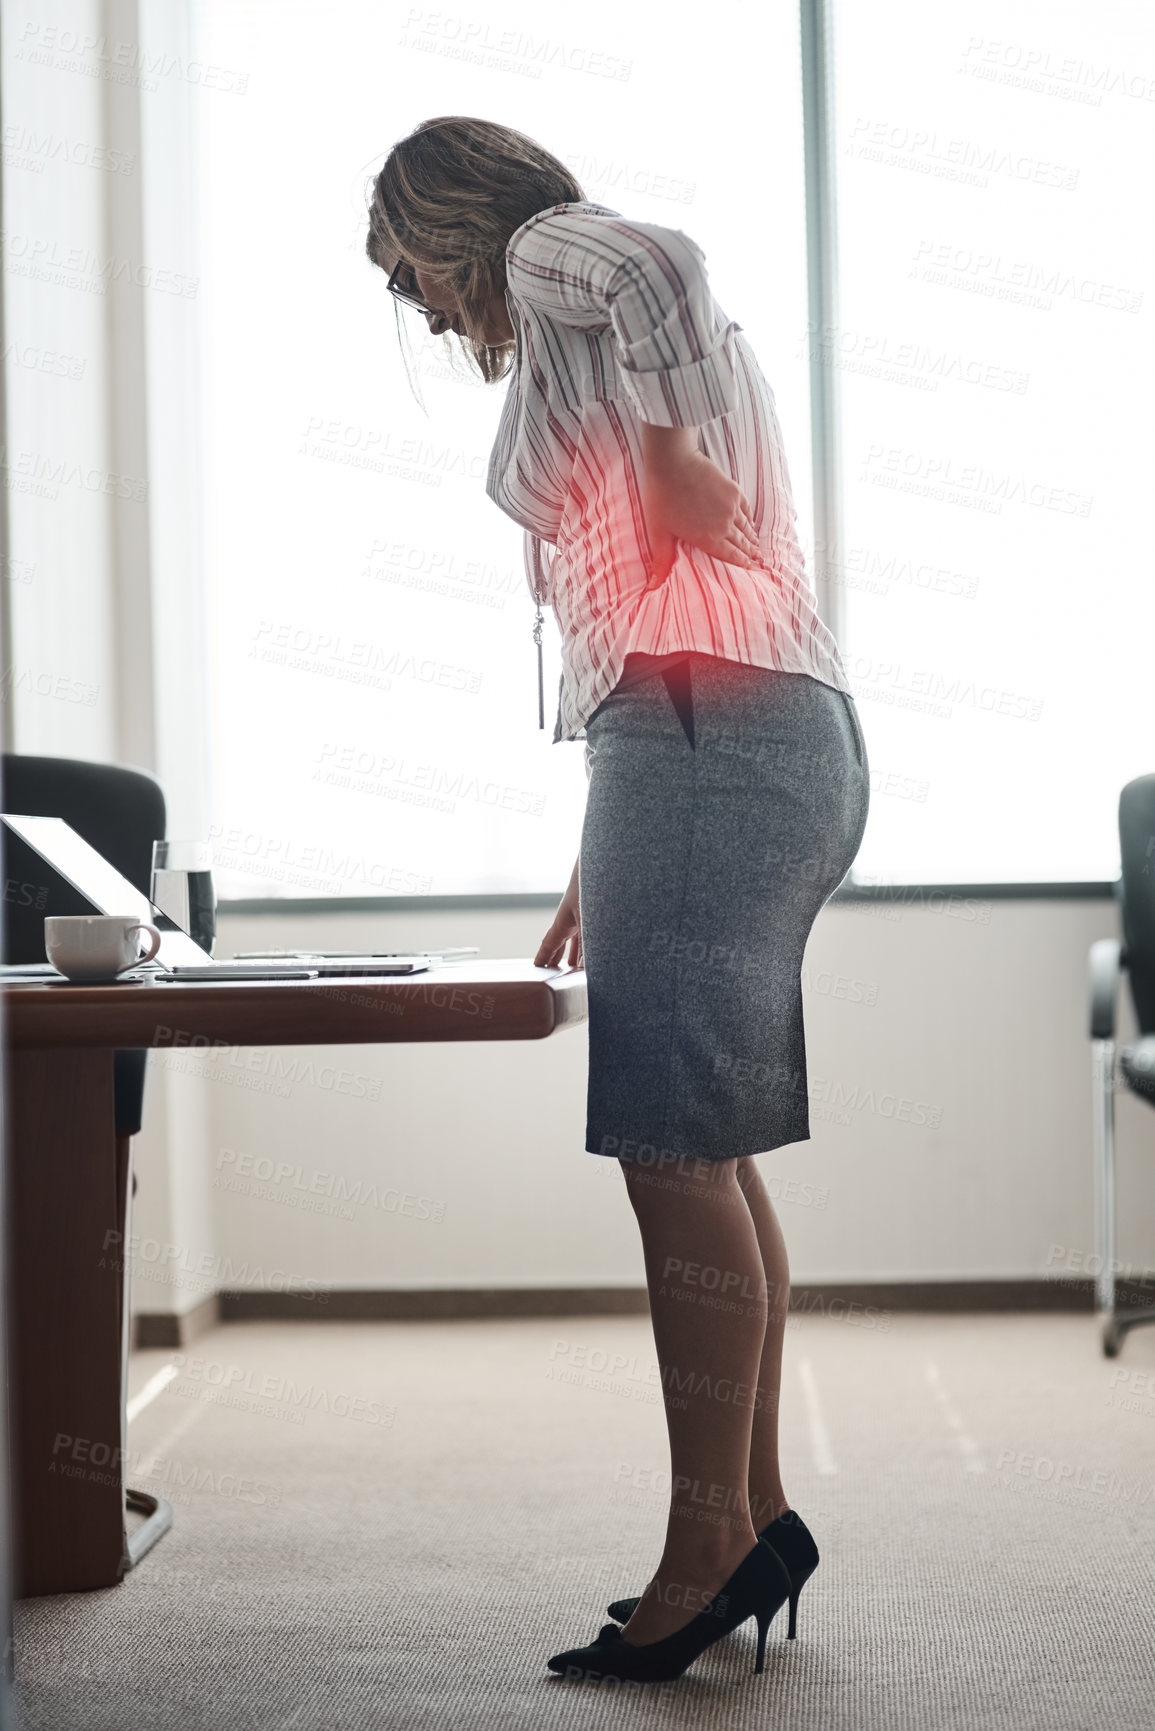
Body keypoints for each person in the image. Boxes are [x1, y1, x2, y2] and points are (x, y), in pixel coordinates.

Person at [366, 115, 869, 1685]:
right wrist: (605, 847)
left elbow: (663, 258)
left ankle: (705, 1539)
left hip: (714, 730)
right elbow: (624, 607)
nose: (425, 309)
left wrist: (664, 459)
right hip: (710, 735)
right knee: (698, 1145)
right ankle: (757, 1515)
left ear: (456, 222)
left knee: (667, 1152)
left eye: (409, 269)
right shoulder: (563, 351)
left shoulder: (557, 253)